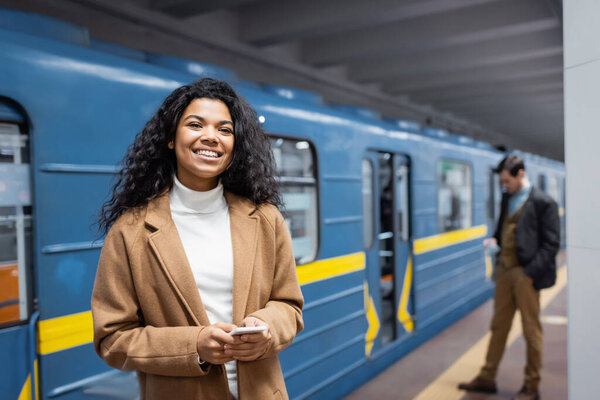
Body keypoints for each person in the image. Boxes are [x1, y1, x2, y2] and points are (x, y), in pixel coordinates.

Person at [92, 78, 304, 400]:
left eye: (225, 129)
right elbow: (113, 339)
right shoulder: (131, 231)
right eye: (195, 124)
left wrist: (267, 328)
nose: (211, 137)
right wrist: (194, 346)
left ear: (236, 144)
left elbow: (289, 305)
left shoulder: (264, 219)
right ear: (169, 138)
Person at [458, 155, 559, 400]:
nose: (504, 186)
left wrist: (530, 272)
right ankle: (487, 377)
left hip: (526, 274)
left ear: (520, 174)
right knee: (498, 326)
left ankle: (531, 385)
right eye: (502, 182)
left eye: (507, 181)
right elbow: (503, 228)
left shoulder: (543, 203)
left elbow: (551, 243)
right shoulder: (507, 198)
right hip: (504, 271)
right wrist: (495, 242)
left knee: (531, 331)